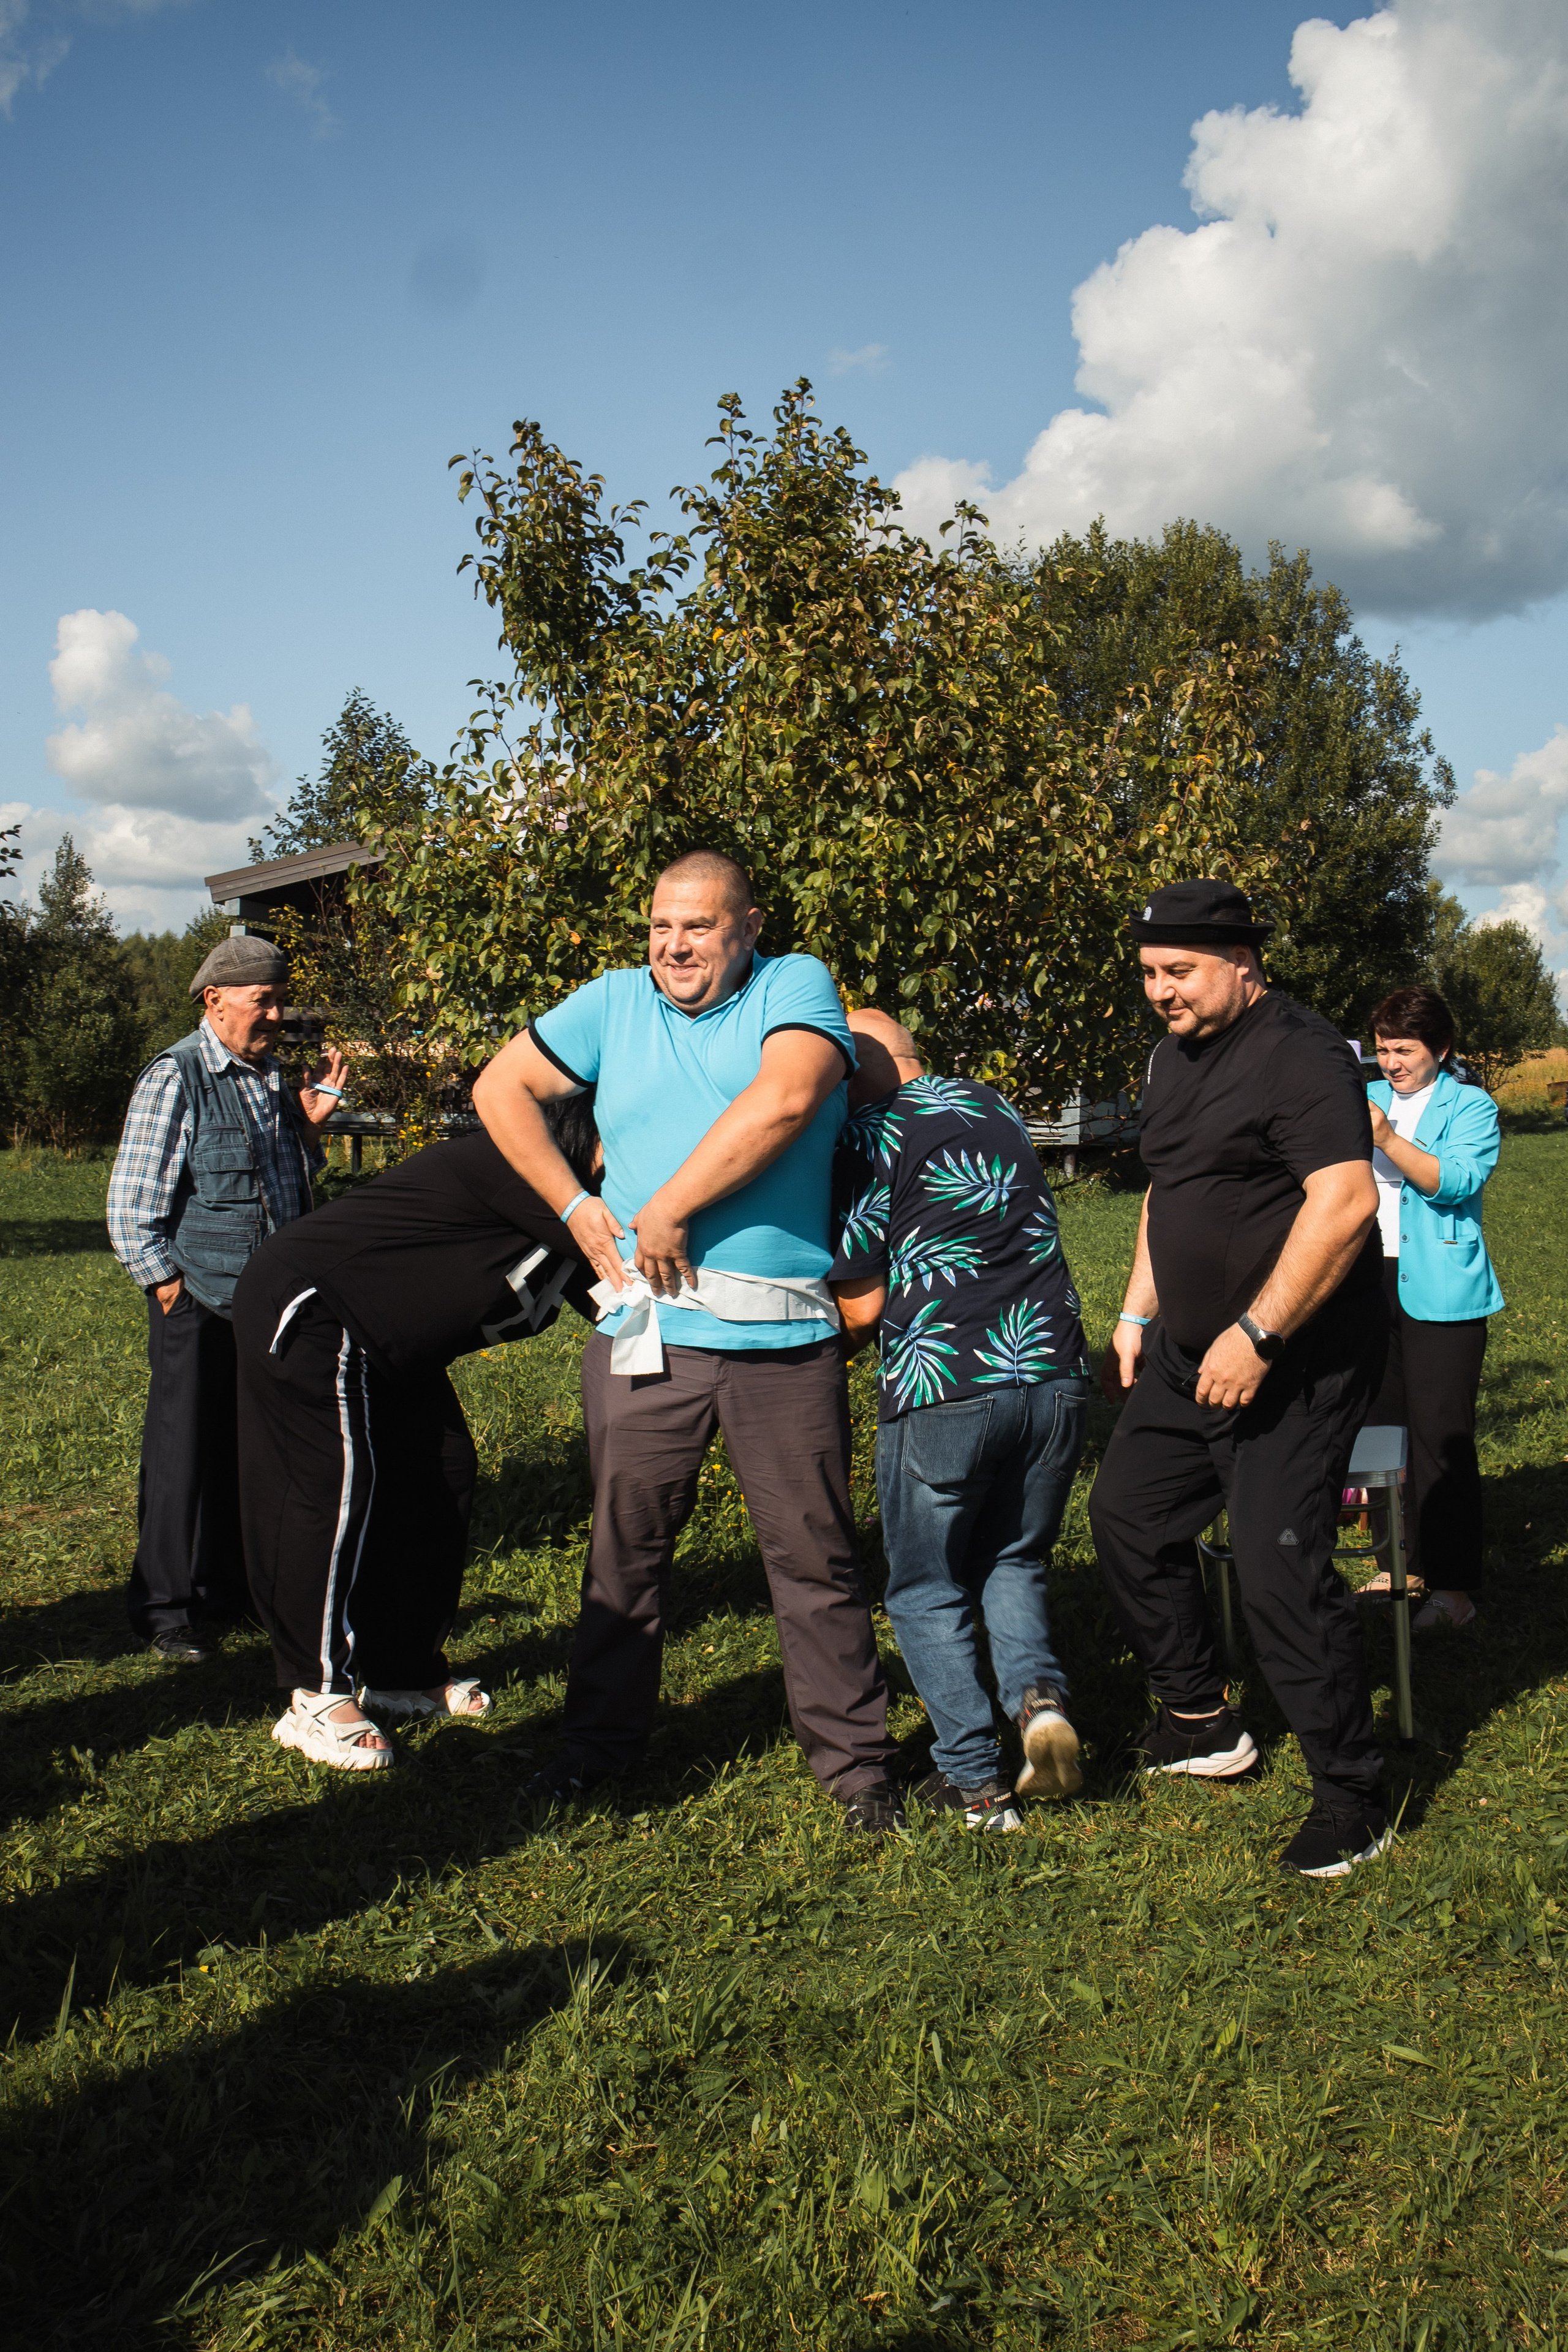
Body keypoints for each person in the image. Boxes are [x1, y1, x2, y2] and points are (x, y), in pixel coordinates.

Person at [469, 850, 901, 1833]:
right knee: (626, 1554)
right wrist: (576, 1204)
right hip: (647, 1335)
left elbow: (787, 1101)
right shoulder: (613, 1002)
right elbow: (501, 1090)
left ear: (749, 929)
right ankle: (596, 1755)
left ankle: (857, 1768)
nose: (674, 946)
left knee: (814, 1558)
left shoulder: (797, 985)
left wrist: (667, 1207)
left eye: (699, 927)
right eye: (662, 926)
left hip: (782, 1340)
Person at [1088, 879, 1391, 1880]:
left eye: (1178, 971)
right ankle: (1199, 1720)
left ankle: (1354, 1792)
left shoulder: (1302, 1057)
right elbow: (1168, 1197)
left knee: (1275, 1559)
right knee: (1128, 1515)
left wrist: (1258, 1333)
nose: (1160, 991)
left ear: (1243, 963)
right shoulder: (1170, 1063)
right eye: (1148, 974)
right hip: (1186, 1353)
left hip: (1295, 1357)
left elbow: (1343, 1205)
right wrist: (1137, 1314)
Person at [230, 1105, 599, 1770]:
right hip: (318, 1309)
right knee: (333, 1492)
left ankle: (400, 1673)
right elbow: (627, 1261)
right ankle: (315, 1695)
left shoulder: (586, 1205)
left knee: (442, 1473)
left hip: (393, 1343)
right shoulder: (521, 1168)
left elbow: (626, 1297)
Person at [830, 1009, 1093, 1832]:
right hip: (1052, 1372)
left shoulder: (868, 1137)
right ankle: (1039, 1701)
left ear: (854, 1070)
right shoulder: (992, 1104)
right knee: (1012, 1556)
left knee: (925, 1589)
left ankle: (977, 1786)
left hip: (945, 1382)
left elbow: (864, 1299)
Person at [105, 934, 345, 1662]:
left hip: (266, 1301)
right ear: (215, 1000)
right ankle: (165, 1610)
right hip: (196, 1297)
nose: (274, 1015)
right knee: (181, 1452)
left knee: (247, 1449)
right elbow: (129, 1201)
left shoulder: (268, 1076)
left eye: (279, 1000)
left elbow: (278, 1184)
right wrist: (166, 1284)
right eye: (261, 1001)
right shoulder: (176, 1075)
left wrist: (308, 1126)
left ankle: (225, 1589)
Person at [1360, 985, 1503, 1633]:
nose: (1390, 1063)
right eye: (1383, 1049)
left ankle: (1452, 1590)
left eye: (1404, 1050)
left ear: (1440, 1050)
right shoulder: (1363, 1098)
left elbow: (1455, 1182)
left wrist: (1385, 1137)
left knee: (1440, 1440)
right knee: (1384, 1435)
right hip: (1366, 1283)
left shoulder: (1470, 1106)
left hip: (1440, 1290)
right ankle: (1399, 1565)